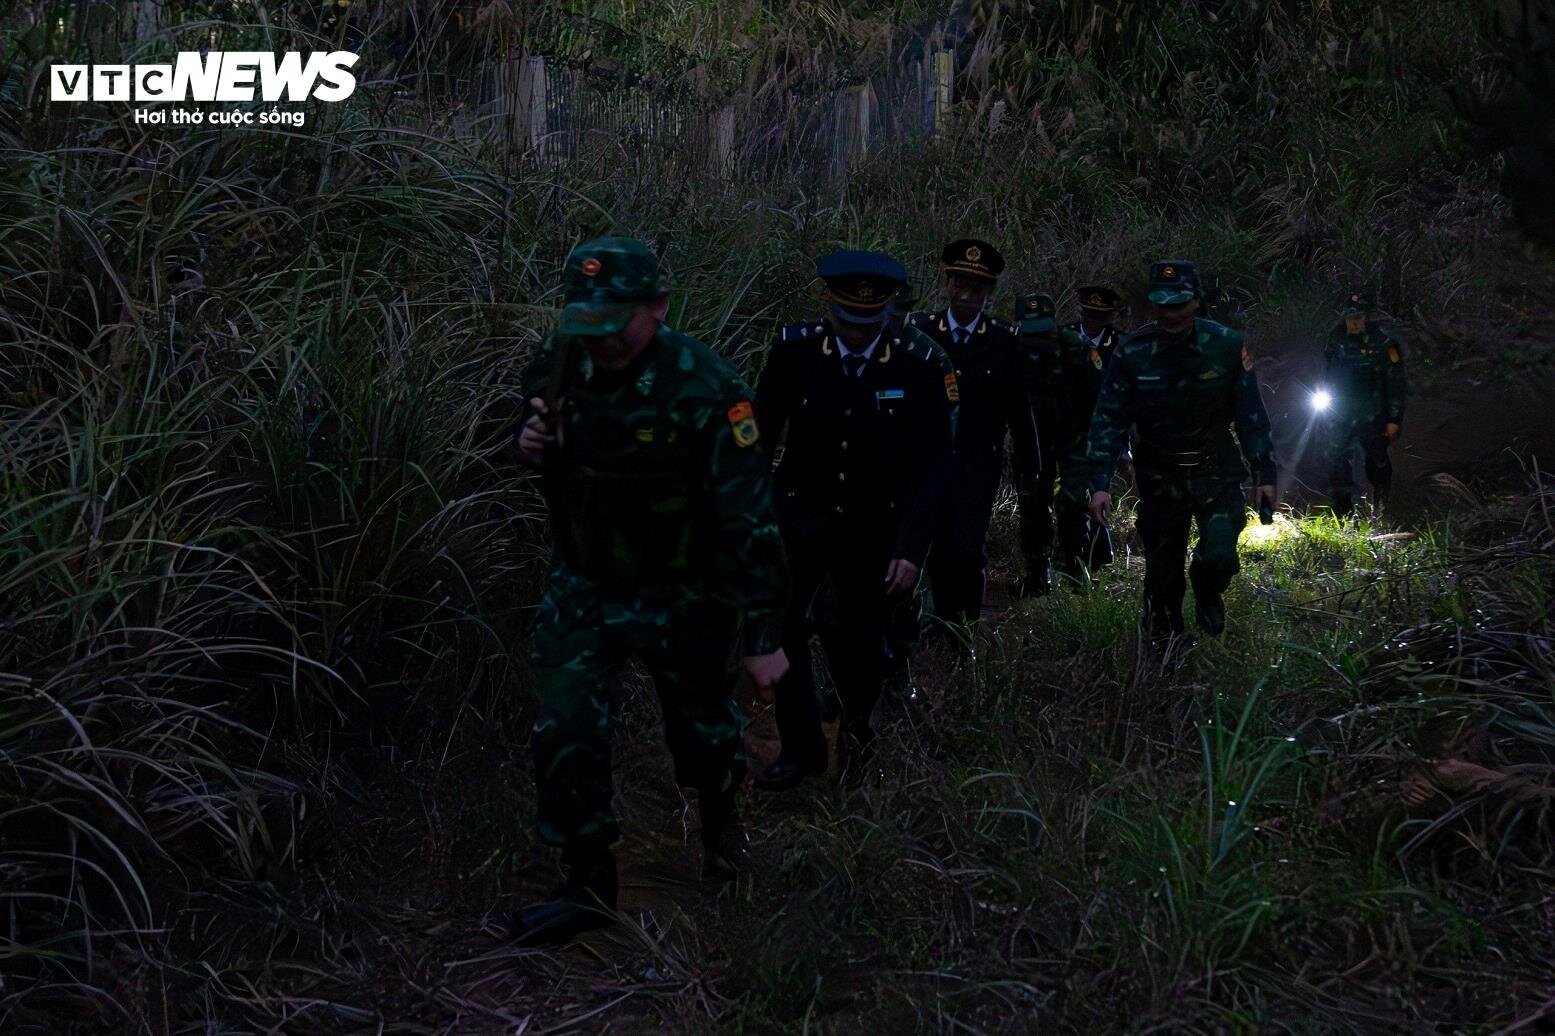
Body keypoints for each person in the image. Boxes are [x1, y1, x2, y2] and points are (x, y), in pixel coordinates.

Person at [508, 237, 790, 945]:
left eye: (617, 323)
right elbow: (537, 434)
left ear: (658, 308)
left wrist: (761, 637)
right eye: (587, 323)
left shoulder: (708, 388)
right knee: (565, 727)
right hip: (586, 582)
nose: (601, 341)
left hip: (684, 592)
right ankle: (586, 880)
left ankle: (723, 841)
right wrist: (530, 446)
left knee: (701, 735)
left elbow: (749, 520)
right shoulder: (559, 362)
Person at [753, 250, 955, 789]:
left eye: (872, 322)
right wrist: (755, 518)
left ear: (888, 313)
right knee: (786, 626)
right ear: (829, 308)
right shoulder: (795, 351)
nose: (860, 333)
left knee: (860, 643)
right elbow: (759, 435)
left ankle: (858, 738)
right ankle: (800, 746)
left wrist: (911, 548)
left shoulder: (917, 365)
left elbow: (930, 467)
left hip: (873, 525)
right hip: (799, 518)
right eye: (848, 321)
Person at [1080, 260, 1277, 643]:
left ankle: (1207, 592)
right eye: (1163, 305)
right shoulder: (1132, 352)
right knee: (1162, 571)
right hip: (1160, 473)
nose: (1171, 314)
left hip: (1215, 469)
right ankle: (1164, 651)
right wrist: (1099, 483)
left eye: (1179, 305)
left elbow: (1251, 415)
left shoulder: (1226, 346)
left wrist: (1265, 474)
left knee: (1218, 555)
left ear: (1195, 302)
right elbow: (1109, 418)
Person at [908, 239, 1040, 625]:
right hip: (925, 463)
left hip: (977, 464)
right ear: (947, 284)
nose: (967, 296)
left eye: (977, 288)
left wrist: (1029, 467)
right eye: (959, 285)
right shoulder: (919, 333)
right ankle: (930, 624)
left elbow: (1019, 409)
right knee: (925, 546)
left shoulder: (1003, 340)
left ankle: (961, 629)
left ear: (989, 292)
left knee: (965, 550)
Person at [1016, 288, 1122, 593]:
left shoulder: (1076, 349)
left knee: (1072, 503)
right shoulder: (1012, 348)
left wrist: (1103, 446)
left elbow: (1100, 401)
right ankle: (1038, 572)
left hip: (1076, 438)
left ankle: (1078, 570)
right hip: (1033, 439)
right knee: (1034, 504)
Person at [1322, 289, 1406, 517]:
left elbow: (1396, 382)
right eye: (1350, 319)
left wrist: (1393, 419)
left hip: (1374, 412)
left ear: (1366, 318)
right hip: (1342, 412)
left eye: (1358, 318)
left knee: (1376, 459)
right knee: (1336, 459)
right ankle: (1343, 515)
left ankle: (1382, 505)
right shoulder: (1336, 339)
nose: (1354, 323)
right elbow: (1328, 373)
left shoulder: (1384, 342)